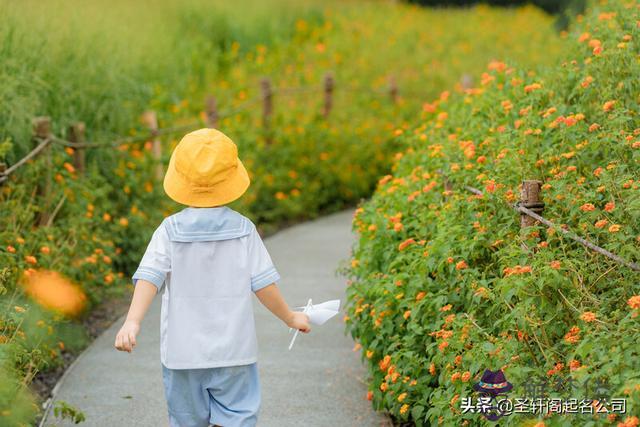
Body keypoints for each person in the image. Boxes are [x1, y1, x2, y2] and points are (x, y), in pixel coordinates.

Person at [114, 128, 311, 427]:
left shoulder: (169, 230)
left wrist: (133, 321)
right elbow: (263, 285)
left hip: (182, 355)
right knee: (237, 417)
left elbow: (150, 278)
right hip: (235, 352)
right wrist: (290, 317)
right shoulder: (244, 230)